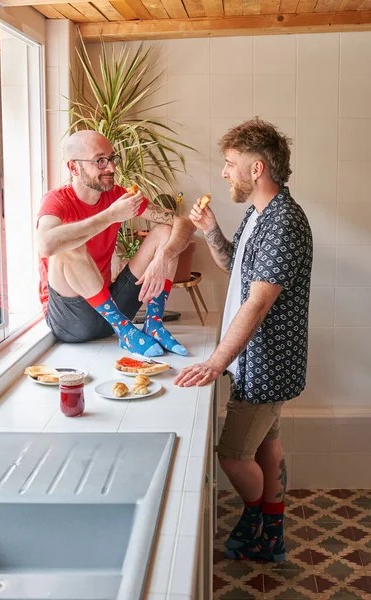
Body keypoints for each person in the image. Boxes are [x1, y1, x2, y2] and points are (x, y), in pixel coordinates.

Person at [175, 117, 313, 562]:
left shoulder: (282, 223)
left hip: (266, 362)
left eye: (231, 163)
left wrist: (215, 362)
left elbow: (255, 305)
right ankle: (271, 532)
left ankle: (262, 523)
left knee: (233, 456)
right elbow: (233, 265)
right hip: (258, 361)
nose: (224, 172)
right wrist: (211, 227)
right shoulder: (260, 214)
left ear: (257, 168)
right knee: (266, 444)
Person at [37, 130, 195, 357]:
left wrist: (164, 256)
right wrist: (111, 215)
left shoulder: (118, 196)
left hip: (110, 310)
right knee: (68, 245)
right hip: (73, 320)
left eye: (112, 159)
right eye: (100, 161)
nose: (111, 168)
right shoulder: (56, 200)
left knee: (165, 231)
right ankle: (124, 331)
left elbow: (184, 224)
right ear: (73, 168)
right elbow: (45, 245)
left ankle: (154, 325)